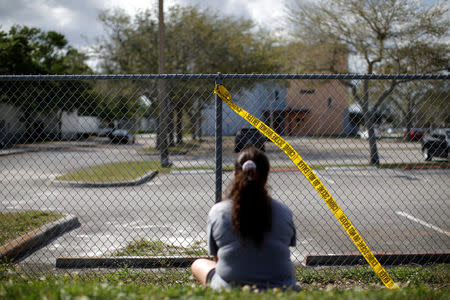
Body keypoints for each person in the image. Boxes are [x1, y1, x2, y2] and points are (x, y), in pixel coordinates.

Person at [191, 147, 297, 290]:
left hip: (230, 289)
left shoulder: (218, 212)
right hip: (282, 288)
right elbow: (281, 251)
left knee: (198, 264)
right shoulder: (284, 211)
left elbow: (217, 259)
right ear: (266, 177)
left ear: (235, 175)